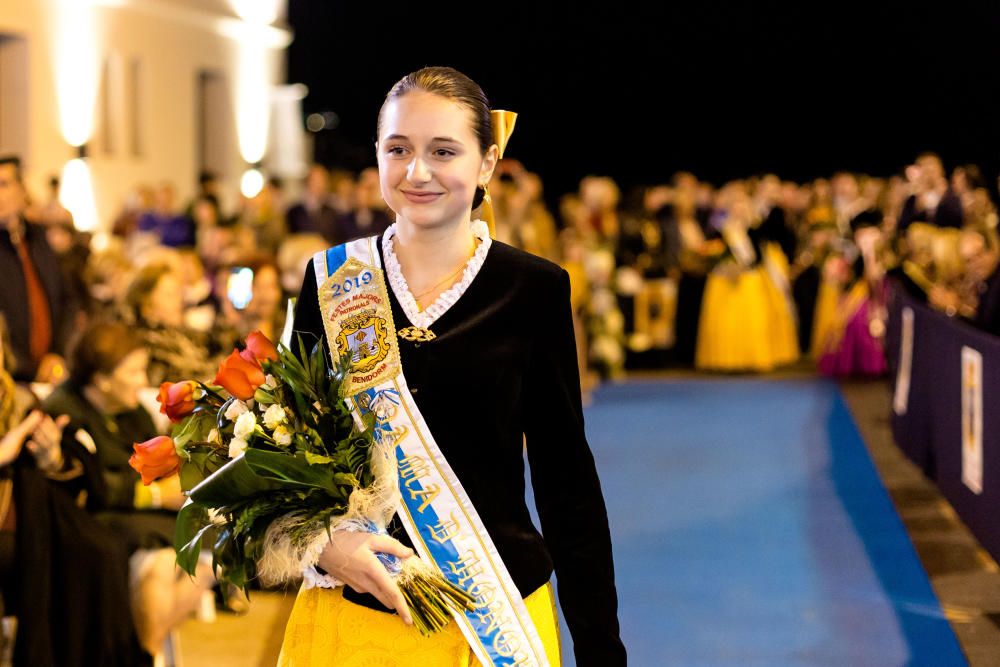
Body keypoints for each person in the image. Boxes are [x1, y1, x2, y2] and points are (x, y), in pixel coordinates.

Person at [275, 66, 625, 666]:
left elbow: (566, 481)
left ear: (487, 162)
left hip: (493, 621)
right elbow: (284, 444)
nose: (417, 172)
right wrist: (322, 543)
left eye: (444, 151)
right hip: (356, 615)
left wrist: (599, 647)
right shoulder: (331, 280)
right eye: (399, 149)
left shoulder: (532, 289)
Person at [41, 320, 217, 655]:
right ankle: (147, 653)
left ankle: (140, 653)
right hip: (88, 521)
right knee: (161, 563)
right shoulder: (64, 411)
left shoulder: (130, 411)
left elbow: (159, 461)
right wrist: (153, 494)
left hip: (135, 516)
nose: (141, 382)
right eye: (134, 372)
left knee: (208, 555)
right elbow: (90, 484)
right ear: (102, 379)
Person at [0, 315, 149, 666]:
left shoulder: (15, 399)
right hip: (11, 534)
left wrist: (50, 458)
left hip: (25, 523)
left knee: (98, 551)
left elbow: (65, 478)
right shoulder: (63, 401)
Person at [0, 155, 77, 384]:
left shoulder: (38, 238)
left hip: (52, 371)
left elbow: (67, 300)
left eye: (4, 185)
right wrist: (31, 368)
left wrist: (57, 355)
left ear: (22, 190)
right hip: (11, 378)